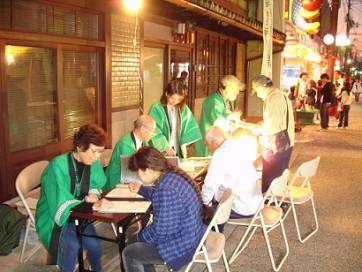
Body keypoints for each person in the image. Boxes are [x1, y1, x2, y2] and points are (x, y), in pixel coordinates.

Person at [35, 124, 111, 271]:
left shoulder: (91, 161)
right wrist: (93, 206)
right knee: (72, 246)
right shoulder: (57, 166)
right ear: (80, 146)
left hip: (80, 212)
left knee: (95, 246)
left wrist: (94, 195)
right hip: (55, 215)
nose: (97, 157)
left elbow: (96, 183)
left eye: (100, 152)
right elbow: (59, 202)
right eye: (94, 152)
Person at [122, 146, 205, 272]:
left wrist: (139, 237)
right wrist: (141, 189)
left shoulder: (166, 188)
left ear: (148, 170)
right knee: (136, 243)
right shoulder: (171, 175)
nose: (137, 176)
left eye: (138, 171)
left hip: (183, 244)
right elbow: (161, 197)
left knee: (130, 252)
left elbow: (162, 231)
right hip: (192, 234)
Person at [202, 126, 262, 231]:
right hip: (255, 203)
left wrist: (203, 205)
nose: (208, 149)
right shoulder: (236, 145)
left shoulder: (220, 153)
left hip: (243, 207)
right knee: (218, 199)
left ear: (213, 142)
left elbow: (210, 185)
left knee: (204, 212)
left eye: (207, 145)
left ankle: (214, 239)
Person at [252, 75, 295, 193]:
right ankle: (280, 203)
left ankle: (272, 205)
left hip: (278, 145)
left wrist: (256, 129)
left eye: (256, 91)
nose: (257, 95)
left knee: (272, 178)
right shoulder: (278, 95)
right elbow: (277, 120)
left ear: (262, 88)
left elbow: (272, 128)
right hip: (284, 142)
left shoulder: (274, 100)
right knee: (279, 175)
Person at [148, 79, 201, 158]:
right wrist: (165, 146)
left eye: (179, 99)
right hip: (162, 150)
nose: (175, 101)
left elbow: (189, 127)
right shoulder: (157, 108)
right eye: (173, 98)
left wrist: (184, 145)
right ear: (166, 94)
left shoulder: (183, 108)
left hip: (177, 148)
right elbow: (154, 130)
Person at [195, 75, 245, 157]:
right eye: (236, 91)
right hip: (210, 143)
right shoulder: (213, 101)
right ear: (228, 89)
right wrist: (231, 116)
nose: (238, 93)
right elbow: (217, 121)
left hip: (221, 142)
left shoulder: (227, 101)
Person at [104, 115, 156, 190]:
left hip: (131, 179)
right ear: (142, 129)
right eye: (152, 131)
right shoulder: (125, 144)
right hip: (117, 183)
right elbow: (130, 170)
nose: (153, 135)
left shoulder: (144, 142)